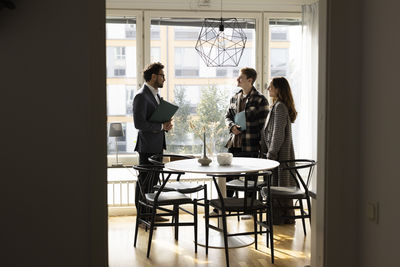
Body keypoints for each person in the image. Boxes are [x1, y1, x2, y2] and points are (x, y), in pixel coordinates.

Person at [223, 67, 269, 218]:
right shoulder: (234, 98)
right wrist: (232, 126)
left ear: (250, 80)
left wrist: (244, 126)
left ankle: (249, 210)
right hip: (234, 144)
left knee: (250, 179)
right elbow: (227, 116)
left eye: (240, 78)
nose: (237, 80)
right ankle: (226, 207)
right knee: (229, 177)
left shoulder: (261, 99)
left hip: (251, 144)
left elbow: (264, 125)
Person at [133, 62, 172, 226]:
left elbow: (155, 118)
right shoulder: (141, 96)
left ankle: (151, 213)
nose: (164, 78)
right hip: (147, 146)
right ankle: (142, 216)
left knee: (153, 182)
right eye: (162, 75)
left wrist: (166, 125)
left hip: (157, 145)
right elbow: (139, 124)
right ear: (154, 76)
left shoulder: (155, 95)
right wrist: (160, 126)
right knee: (144, 182)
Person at [261, 77, 297, 225]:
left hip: (280, 156)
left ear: (278, 89)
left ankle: (282, 218)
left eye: (270, 87)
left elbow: (278, 134)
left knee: (279, 186)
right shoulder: (276, 106)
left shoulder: (280, 107)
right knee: (277, 185)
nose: (268, 89)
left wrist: (271, 154)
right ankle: (280, 218)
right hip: (276, 155)